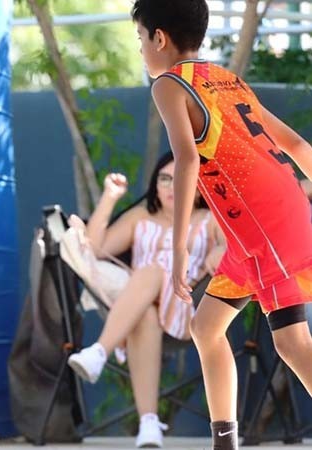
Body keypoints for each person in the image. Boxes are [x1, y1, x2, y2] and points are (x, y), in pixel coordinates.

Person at [133, 1, 312, 448]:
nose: (140, 51)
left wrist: (177, 249)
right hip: (266, 223)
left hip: (262, 232)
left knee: (291, 344)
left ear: (160, 38)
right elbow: (294, 143)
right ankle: (224, 441)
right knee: (206, 327)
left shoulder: (170, 84)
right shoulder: (226, 80)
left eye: (140, 40)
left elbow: (186, 160)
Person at [68, 152, 224, 448]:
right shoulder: (141, 217)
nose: (170, 186)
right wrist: (110, 197)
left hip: (188, 309)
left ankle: (100, 350)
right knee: (145, 315)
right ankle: (149, 424)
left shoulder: (209, 219)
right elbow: (94, 251)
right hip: (137, 312)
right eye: (164, 179)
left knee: (151, 271)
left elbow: (232, 245)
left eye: (179, 179)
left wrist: (220, 251)